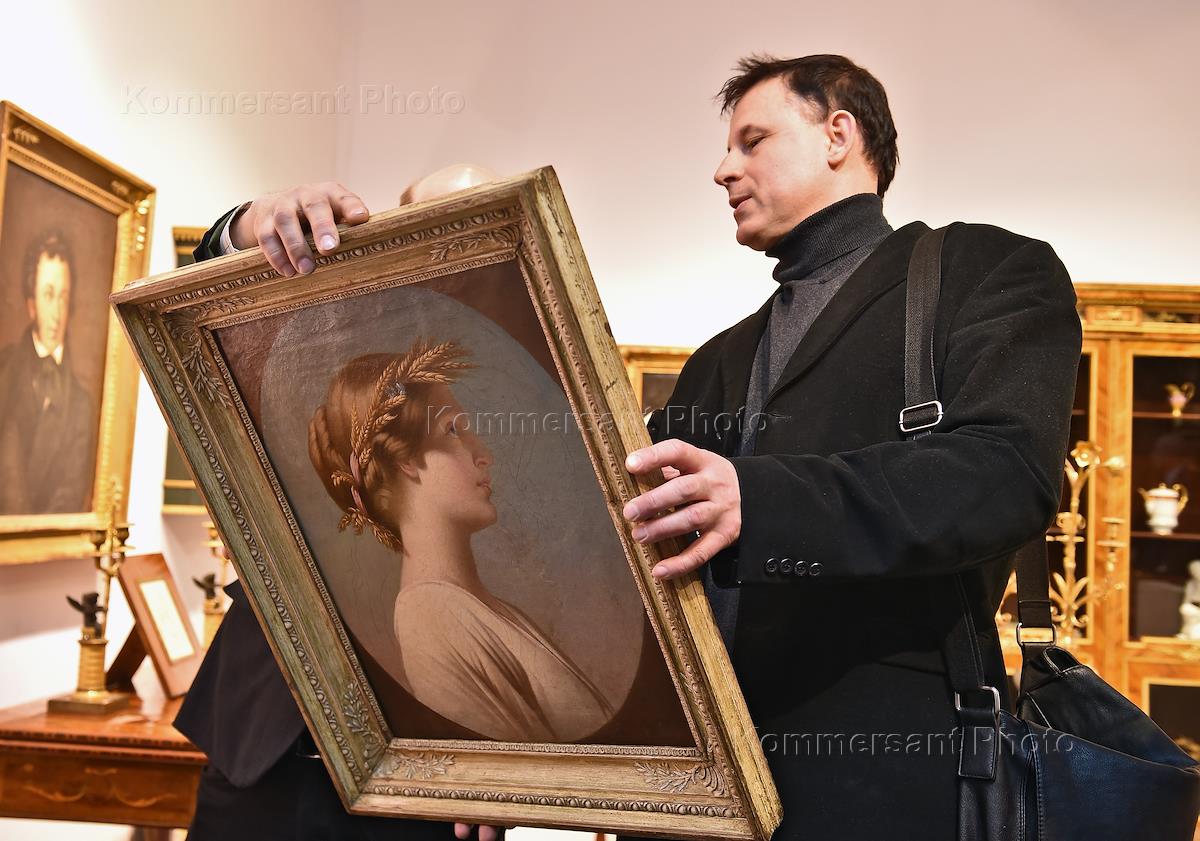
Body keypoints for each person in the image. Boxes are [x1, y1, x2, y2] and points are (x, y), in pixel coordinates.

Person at [185, 49, 1080, 839]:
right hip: (694, 798)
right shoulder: (721, 359)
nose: (722, 168)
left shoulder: (986, 272)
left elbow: (1004, 474)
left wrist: (758, 500)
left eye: (752, 139)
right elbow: (611, 556)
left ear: (840, 134)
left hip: (884, 783)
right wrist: (492, 749)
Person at [307, 344, 614, 741]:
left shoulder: (474, 606)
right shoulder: (433, 616)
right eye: (453, 430)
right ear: (405, 460)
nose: (484, 455)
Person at [0, 231, 97, 514]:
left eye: (63, 297)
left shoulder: (82, 404)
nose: (56, 312)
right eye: (49, 295)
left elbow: (70, 495)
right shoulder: (4, 370)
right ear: (32, 304)